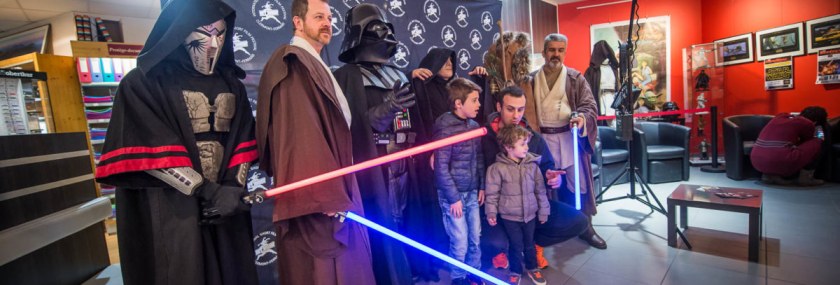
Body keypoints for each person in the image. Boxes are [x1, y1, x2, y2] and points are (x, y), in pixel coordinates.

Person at [95, 0, 258, 283]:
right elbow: (148, 150)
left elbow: (242, 140)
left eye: (219, 33)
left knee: (233, 269)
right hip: (171, 207)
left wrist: (231, 190)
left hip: (224, 205)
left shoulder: (231, 84)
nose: (213, 42)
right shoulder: (142, 83)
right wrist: (207, 191)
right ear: (180, 32)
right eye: (204, 33)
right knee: (181, 270)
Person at [254, 0, 375, 283]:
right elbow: (299, 134)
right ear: (298, 22)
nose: (327, 23)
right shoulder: (293, 62)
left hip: (334, 186)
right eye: (318, 16)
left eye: (329, 17)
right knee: (325, 268)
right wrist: (325, 194)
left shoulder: (312, 62)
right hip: (320, 197)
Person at [331, 4, 415, 284]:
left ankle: (403, 271)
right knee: (380, 220)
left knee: (402, 217)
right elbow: (350, 127)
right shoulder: (345, 77)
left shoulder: (400, 74)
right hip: (373, 164)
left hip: (402, 158)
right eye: (378, 28)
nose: (386, 34)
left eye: (387, 28)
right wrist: (385, 109)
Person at [481, 87, 588, 270]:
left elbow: (548, 168)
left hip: (530, 207)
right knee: (496, 243)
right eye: (510, 109)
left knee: (578, 222)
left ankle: (531, 245)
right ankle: (506, 249)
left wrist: (553, 179)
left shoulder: (534, 139)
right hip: (499, 211)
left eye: (521, 109)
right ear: (499, 106)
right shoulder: (483, 138)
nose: (516, 115)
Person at [529, 33, 605, 249]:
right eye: (551, 50)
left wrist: (581, 118)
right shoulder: (531, 79)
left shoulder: (575, 78)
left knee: (578, 185)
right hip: (541, 141)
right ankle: (546, 232)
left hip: (568, 138)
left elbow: (589, 106)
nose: (556, 54)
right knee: (542, 186)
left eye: (560, 50)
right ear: (544, 52)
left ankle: (586, 227)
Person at [433, 78, 485, 285]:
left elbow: (479, 158)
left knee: (475, 236)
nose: (479, 104)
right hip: (453, 196)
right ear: (458, 103)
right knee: (460, 240)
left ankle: (474, 271)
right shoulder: (444, 126)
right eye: (474, 100)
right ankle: (458, 277)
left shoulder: (474, 126)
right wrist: (453, 198)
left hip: (472, 192)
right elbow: (440, 167)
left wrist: (481, 185)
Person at [485, 124, 551, 285]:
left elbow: (540, 191)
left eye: (526, 143)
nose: (526, 147)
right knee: (515, 245)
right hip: (509, 216)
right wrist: (491, 213)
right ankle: (515, 271)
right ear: (508, 147)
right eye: (522, 144)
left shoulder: (533, 166)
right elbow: (492, 194)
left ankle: (532, 268)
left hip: (530, 215)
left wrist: (544, 211)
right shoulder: (497, 169)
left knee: (529, 244)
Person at [751, 106, 828, 186]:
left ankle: (769, 176)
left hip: (756, 161)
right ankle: (805, 178)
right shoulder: (807, 123)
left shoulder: (779, 118)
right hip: (780, 162)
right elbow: (807, 140)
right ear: (815, 122)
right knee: (816, 142)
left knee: (774, 148)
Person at [584, 40, 619, 127]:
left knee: (613, 124)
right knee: (602, 124)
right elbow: (587, 89)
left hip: (612, 98)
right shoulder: (592, 71)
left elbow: (617, 86)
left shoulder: (613, 69)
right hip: (599, 98)